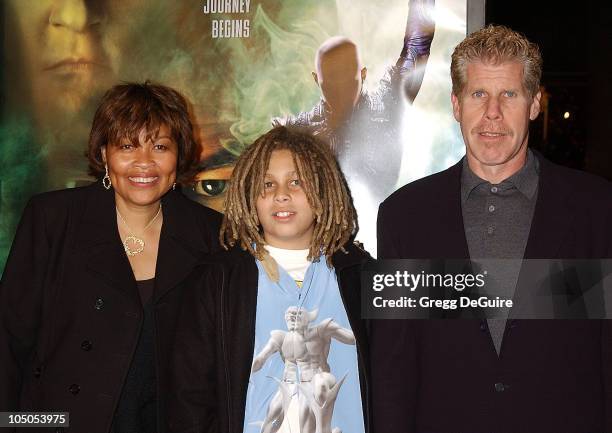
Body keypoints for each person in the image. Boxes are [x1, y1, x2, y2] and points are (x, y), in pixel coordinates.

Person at [372, 25, 612, 433]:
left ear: (535, 104)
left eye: (509, 95)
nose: (493, 113)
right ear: (455, 104)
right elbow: (393, 367)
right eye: (478, 94)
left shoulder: (598, 210)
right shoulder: (404, 217)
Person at [0, 82, 223, 433]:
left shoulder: (212, 234)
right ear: (104, 153)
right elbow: (8, 342)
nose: (144, 163)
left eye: (160, 147)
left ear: (178, 156)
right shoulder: (53, 219)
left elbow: (220, 363)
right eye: (126, 146)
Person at [168, 126, 372, 433]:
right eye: (267, 184)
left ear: (324, 190)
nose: (281, 195)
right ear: (250, 195)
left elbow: (399, 374)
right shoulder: (217, 280)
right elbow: (189, 398)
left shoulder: (361, 274)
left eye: (296, 182)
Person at [274, 0, 435, 210]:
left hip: (378, 228)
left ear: (363, 74)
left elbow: (418, 44)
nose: (340, 86)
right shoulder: (297, 134)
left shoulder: (389, 105)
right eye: (331, 77)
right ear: (316, 79)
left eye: (347, 75)